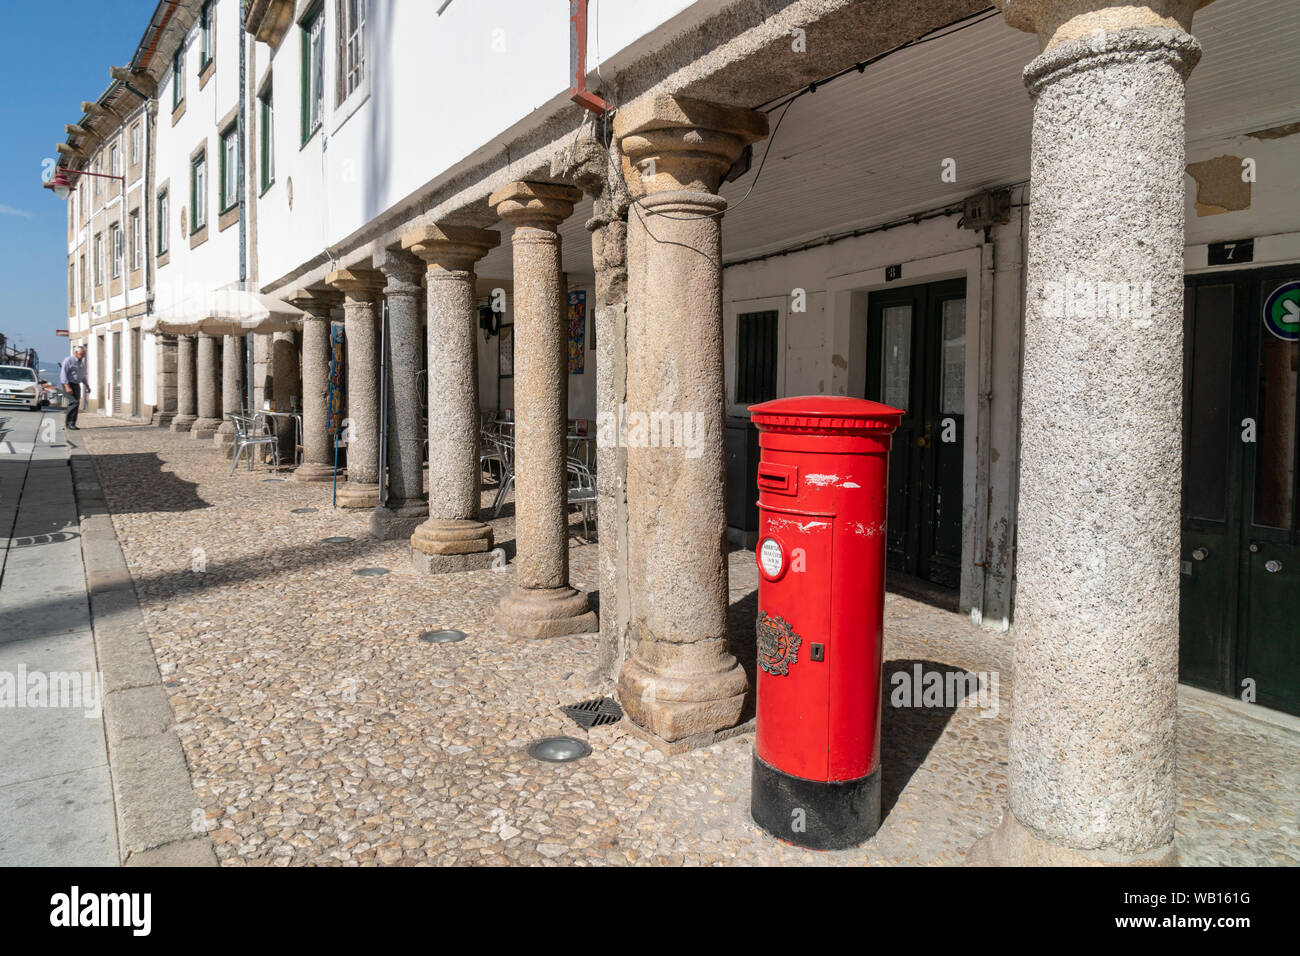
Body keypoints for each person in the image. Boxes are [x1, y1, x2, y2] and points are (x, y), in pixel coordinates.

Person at [60, 345, 87, 430]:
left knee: (76, 403)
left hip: (76, 384)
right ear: (75, 353)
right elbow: (63, 374)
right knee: (73, 402)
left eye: (84, 354)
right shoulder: (68, 360)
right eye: (82, 354)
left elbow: (82, 376)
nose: (83, 356)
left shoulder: (81, 362)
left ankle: (72, 423)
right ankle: (69, 423)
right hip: (68, 384)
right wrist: (67, 387)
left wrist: (87, 385)